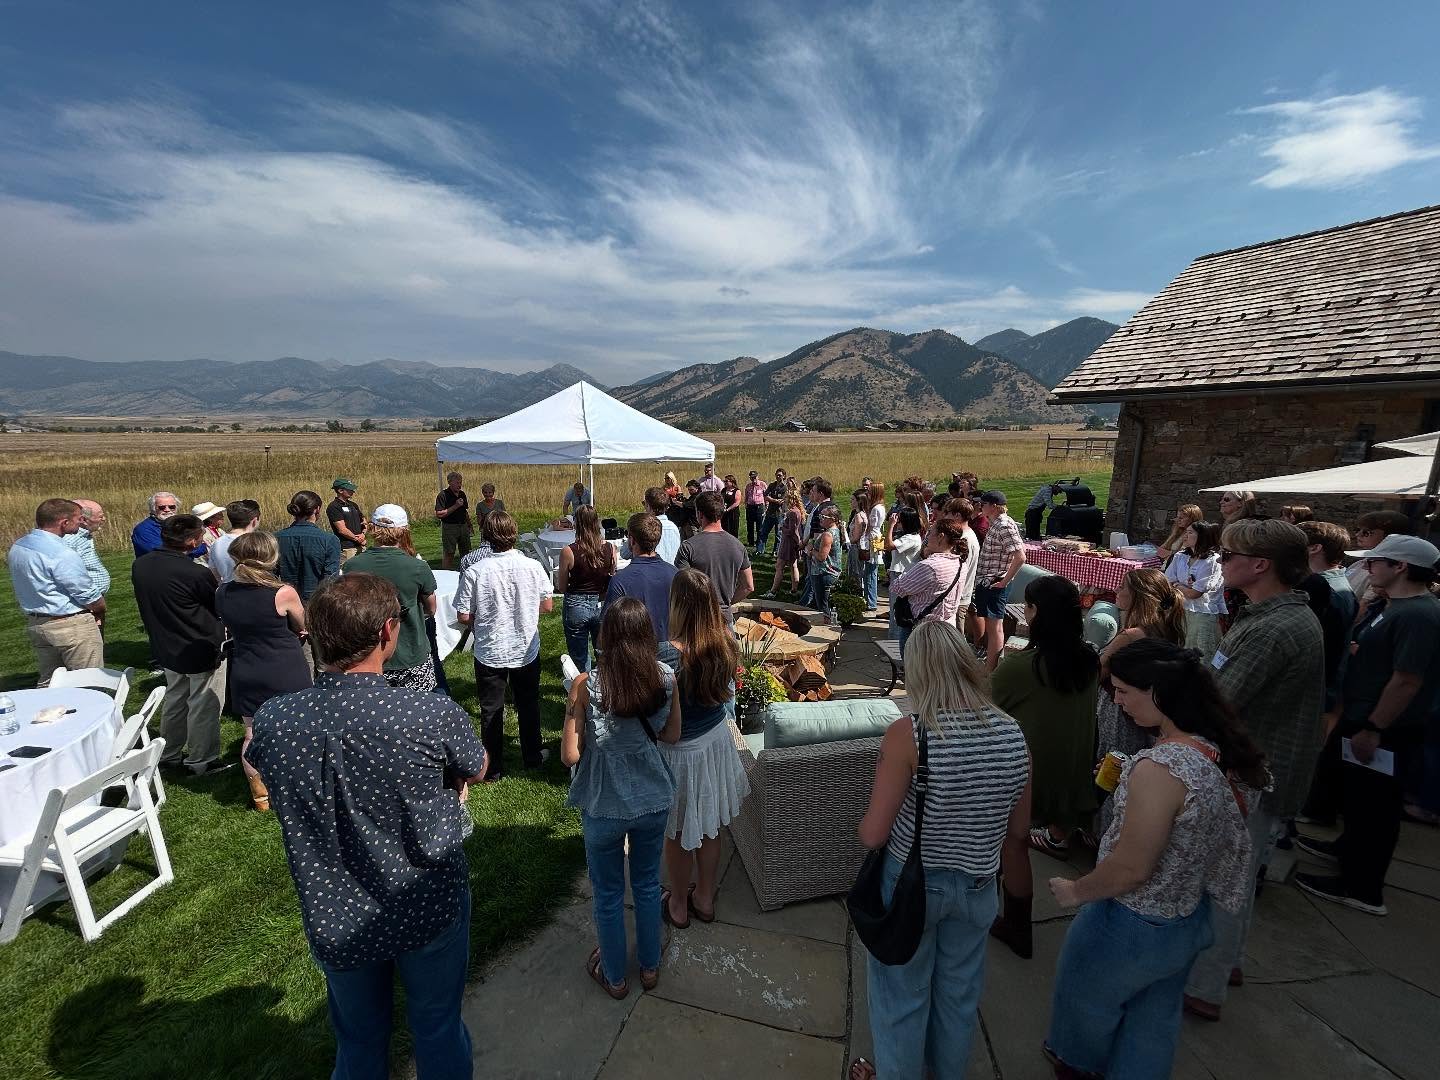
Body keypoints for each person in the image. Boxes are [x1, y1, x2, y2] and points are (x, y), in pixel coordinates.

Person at [246, 572, 487, 1077]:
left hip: (336, 909)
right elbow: (476, 765)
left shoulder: (276, 719)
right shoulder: (427, 711)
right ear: (387, 634)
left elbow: (264, 764)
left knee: (358, 1041)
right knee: (437, 1027)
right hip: (426, 901)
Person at [1044, 639, 1266, 1080]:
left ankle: (1080, 1068)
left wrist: (1076, 890)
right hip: (1185, 914)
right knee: (1154, 1021)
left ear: (1159, 692)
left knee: (1084, 1006)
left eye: (1124, 690)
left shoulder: (1161, 769)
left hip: (1129, 923)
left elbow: (1131, 869)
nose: (1117, 700)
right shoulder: (1215, 750)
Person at [849, 621, 1032, 1080]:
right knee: (958, 998)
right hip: (977, 888)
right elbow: (1020, 829)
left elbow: (873, 834)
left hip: (913, 888)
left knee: (901, 998)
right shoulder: (1013, 734)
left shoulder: (910, 735)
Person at [1182, 517, 1323, 1021]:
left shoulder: (1273, 627)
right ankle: (1230, 961)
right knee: (1238, 874)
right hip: (1260, 766)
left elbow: (1222, 702)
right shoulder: (1271, 615)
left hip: (1252, 773)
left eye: (1228, 555)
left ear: (1259, 565)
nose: (1221, 562)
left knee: (1221, 879)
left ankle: (1204, 984)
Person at [1295, 534, 1440, 917]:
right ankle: (1348, 849)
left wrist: (1374, 727)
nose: (1367, 568)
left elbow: (1407, 680)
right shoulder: (1392, 606)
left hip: (1385, 726)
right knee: (1359, 799)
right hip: (1362, 715)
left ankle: (1362, 886)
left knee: (1376, 806)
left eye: (1375, 562)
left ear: (1401, 567)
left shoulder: (1419, 614)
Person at [562, 597, 681, 999]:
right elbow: (671, 735)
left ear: (605, 636)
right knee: (648, 885)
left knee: (608, 894)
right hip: (652, 799)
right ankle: (649, 967)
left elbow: (570, 755)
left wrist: (570, 708)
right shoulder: (665, 678)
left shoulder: (587, 685)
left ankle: (615, 976)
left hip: (603, 804)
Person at [661, 569, 749, 929]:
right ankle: (705, 897)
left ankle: (679, 903)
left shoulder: (669, 653)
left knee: (679, 833)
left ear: (679, 605)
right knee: (711, 826)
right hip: (715, 741)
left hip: (682, 752)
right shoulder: (726, 640)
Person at [992, 575, 1100, 860]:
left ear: (1036, 611)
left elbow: (984, 707)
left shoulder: (1023, 666)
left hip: (1029, 778)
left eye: (1027, 606)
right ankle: (1059, 835)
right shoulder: (1090, 658)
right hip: (1075, 770)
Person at [215, 531, 310, 810]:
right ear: (271, 557)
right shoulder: (283, 592)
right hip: (284, 666)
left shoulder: (222, 592)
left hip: (245, 666)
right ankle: (296, 784)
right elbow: (304, 624)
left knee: (251, 733)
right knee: (297, 728)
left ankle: (261, 795)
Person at [455, 511, 553, 780]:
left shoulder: (476, 571)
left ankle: (493, 767)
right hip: (524, 646)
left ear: (486, 536)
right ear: (513, 533)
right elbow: (547, 604)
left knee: (491, 710)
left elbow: (463, 614)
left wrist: (482, 617)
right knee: (528, 703)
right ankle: (532, 754)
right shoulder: (532, 566)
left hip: (491, 649)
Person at [132, 515, 228, 775]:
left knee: (175, 697)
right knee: (203, 703)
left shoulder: (141, 565)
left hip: (166, 643)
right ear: (192, 540)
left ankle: (170, 752)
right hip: (200, 644)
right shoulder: (195, 573)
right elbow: (217, 606)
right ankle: (202, 759)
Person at [8, 498, 105, 686]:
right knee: (89, 683)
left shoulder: (19, 546)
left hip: (38, 623)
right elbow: (87, 594)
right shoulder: (61, 553)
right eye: (78, 519)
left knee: (50, 683)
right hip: (70, 625)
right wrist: (100, 610)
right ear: (64, 523)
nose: (81, 522)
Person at [1096, 568, 1188, 765]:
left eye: (1122, 586)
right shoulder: (1166, 628)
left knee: (1113, 762)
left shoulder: (1130, 636)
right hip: (1150, 708)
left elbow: (1097, 673)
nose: (1116, 589)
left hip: (1119, 711)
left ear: (1139, 595)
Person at [344, 505, 440, 691]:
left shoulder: (351, 567)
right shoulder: (417, 567)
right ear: (403, 530)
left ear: (372, 528)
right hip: (411, 653)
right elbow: (431, 608)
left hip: (367, 656)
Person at [606, 513, 681, 668]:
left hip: (634, 651)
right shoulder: (675, 574)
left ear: (632, 540)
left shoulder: (621, 580)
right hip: (672, 649)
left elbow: (608, 626)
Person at [890, 516, 970, 656]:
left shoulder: (929, 566)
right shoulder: (961, 563)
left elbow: (897, 587)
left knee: (915, 673)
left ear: (941, 537)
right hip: (945, 628)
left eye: (931, 533)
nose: (927, 536)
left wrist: (916, 564)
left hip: (920, 631)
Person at [675, 491, 753, 623]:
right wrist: (725, 604)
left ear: (699, 514)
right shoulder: (738, 546)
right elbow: (748, 586)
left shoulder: (688, 547)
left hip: (698, 620)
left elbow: (681, 587)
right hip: (725, 619)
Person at [557, 506, 616, 673]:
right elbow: (611, 575)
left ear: (576, 524)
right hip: (602, 602)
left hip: (576, 603)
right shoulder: (610, 549)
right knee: (604, 652)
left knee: (579, 656)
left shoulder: (569, 551)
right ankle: (605, 686)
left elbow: (561, 587)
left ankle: (582, 690)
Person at [974, 491, 1025, 671]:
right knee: (992, 627)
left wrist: (1004, 581)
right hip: (989, 582)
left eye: (983, 503)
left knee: (995, 628)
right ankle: (990, 665)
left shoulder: (1003, 525)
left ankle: (990, 670)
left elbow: (1020, 557)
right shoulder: (997, 522)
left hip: (994, 583)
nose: (980, 506)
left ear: (993, 506)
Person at [1164, 521, 1225, 655]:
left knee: (1200, 653)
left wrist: (1178, 586)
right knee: (1179, 650)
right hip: (1180, 609)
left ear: (1202, 536)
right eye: (1185, 532)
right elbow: (1167, 581)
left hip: (1202, 614)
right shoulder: (1180, 556)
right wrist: (1179, 586)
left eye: (1190, 532)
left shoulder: (1212, 561)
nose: (1185, 536)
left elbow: (1195, 593)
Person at [276, 490, 342, 603]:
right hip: (316, 603)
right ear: (317, 509)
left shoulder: (275, 538)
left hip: (284, 602)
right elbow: (330, 580)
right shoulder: (329, 540)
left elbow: (269, 576)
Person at [1345, 509, 1412, 605]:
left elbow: (1364, 607)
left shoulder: (1384, 571)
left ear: (1389, 536)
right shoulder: (1360, 563)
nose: (1357, 534)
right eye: (1358, 530)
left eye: (1366, 532)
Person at [62, 499, 111, 619]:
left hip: (91, 602)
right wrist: (93, 605)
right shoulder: (70, 540)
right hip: (83, 606)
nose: (104, 519)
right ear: (84, 520)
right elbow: (69, 576)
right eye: (100, 516)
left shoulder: (84, 536)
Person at [883, 506, 925, 639]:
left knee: (896, 611)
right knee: (896, 609)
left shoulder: (911, 538)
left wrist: (890, 526)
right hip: (898, 572)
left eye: (900, 521)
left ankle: (894, 642)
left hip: (902, 575)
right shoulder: (908, 536)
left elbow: (888, 545)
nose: (897, 523)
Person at [132, 491, 206, 559]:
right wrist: (203, 548)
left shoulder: (179, 524)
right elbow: (165, 553)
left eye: (172, 507)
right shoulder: (143, 530)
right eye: (162, 507)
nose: (167, 510)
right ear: (153, 509)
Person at [760, 489, 805, 599]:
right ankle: (794, 590)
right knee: (792, 565)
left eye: (786, 498)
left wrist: (782, 528)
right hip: (791, 542)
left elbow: (792, 531)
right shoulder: (797, 511)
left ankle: (773, 591)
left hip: (788, 543)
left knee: (779, 566)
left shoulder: (793, 513)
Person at [806, 505, 844, 624]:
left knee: (823, 608)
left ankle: (827, 628)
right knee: (825, 605)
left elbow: (822, 557)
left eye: (823, 516)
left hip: (824, 573)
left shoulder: (828, 535)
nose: (820, 518)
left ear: (832, 518)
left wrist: (811, 551)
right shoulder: (835, 530)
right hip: (830, 572)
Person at [208, 499, 261, 584]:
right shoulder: (257, 543)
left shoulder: (217, 543)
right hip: (253, 590)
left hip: (227, 591)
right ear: (254, 521)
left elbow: (214, 573)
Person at [434, 471, 472, 570]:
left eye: (460, 482)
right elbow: (439, 514)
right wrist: (455, 506)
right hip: (450, 527)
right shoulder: (443, 495)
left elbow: (465, 511)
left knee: (466, 552)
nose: (459, 485)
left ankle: (466, 573)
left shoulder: (462, 494)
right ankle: (446, 574)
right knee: (449, 553)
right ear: (449, 482)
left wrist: (469, 525)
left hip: (463, 526)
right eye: (457, 482)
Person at [326, 478, 366, 563]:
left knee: (363, 573)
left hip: (361, 546)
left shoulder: (354, 505)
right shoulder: (334, 507)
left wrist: (363, 534)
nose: (353, 491)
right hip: (347, 549)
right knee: (347, 573)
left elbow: (364, 522)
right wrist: (356, 539)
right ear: (340, 490)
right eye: (350, 489)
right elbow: (342, 529)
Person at [863, 481, 887, 615]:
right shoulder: (877, 506)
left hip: (874, 538)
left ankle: (871, 601)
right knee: (869, 571)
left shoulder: (877, 508)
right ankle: (869, 599)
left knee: (871, 571)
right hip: (873, 537)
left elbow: (872, 525)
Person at [757, 468, 787, 555]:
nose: (778, 477)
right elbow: (765, 496)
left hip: (779, 513)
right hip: (770, 512)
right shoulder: (772, 485)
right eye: (777, 475)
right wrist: (774, 500)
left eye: (780, 475)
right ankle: (760, 550)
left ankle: (776, 551)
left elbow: (783, 500)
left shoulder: (785, 487)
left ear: (784, 476)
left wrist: (772, 499)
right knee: (764, 532)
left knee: (778, 534)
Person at [743, 469, 767, 549]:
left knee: (759, 526)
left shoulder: (762, 485)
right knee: (750, 525)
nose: (753, 479)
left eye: (754, 477)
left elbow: (766, 496)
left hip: (759, 506)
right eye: (751, 477)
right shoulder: (748, 486)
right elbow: (746, 496)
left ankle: (759, 542)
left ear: (757, 476)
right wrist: (746, 504)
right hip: (750, 506)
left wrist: (766, 506)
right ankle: (751, 541)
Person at [720, 473, 742, 537]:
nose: (725, 483)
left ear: (732, 482)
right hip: (724, 513)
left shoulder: (737, 491)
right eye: (724, 481)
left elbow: (737, 503)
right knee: (724, 528)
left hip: (733, 513)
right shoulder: (723, 490)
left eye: (727, 481)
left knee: (733, 529)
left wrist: (728, 509)